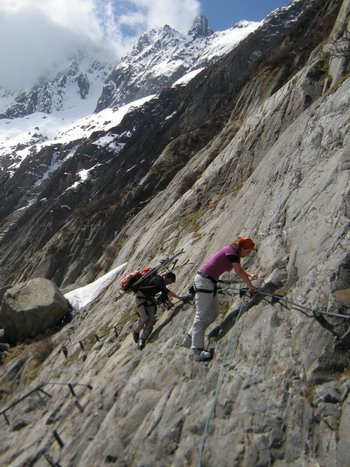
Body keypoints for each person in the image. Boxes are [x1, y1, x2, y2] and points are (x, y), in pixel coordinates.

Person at [183, 237, 258, 362]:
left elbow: (238, 268)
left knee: (213, 314)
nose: (248, 254)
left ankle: (190, 337)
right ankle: (197, 351)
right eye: (248, 251)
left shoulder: (232, 252)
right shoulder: (231, 251)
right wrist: (251, 287)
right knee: (201, 317)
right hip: (204, 281)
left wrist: (250, 275)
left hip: (208, 281)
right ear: (242, 248)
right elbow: (239, 271)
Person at [133, 271, 184, 350]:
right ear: (166, 277)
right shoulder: (157, 279)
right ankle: (136, 331)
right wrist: (179, 298)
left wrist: (169, 303)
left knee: (151, 320)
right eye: (169, 282)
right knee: (145, 318)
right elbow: (166, 291)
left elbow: (164, 294)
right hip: (141, 297)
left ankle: (142, 339)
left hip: (150, 299)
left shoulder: (161, 283)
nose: (168, 284)